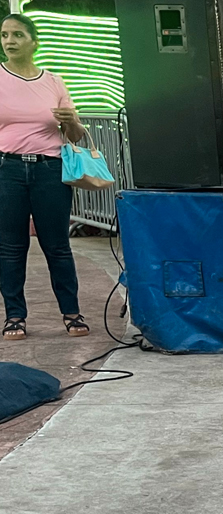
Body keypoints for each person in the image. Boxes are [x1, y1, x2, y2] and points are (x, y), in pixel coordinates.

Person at [0, 12, 88, 340]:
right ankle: (15, 317)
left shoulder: (53, 82)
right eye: (5, 35)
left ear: (33, 42)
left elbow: (76, 135)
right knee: (10, 246)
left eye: (17, 35)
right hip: (7, 169)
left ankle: (71, 312)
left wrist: (69, 122)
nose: (10, 41)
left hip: (50, 169)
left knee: (57, 245)